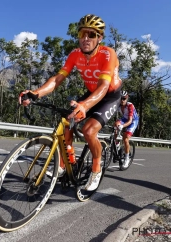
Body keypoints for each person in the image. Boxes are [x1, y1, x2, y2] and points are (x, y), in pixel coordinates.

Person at [19, 14, 122, 191]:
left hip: (109, 96)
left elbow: (104, 87)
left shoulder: (108, 54)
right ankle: (64, 163)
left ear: (99, 38)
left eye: (91, 34)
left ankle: (96, 168)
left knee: (89, 130)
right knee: (67, 121)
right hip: (91, 93)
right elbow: (58, 79)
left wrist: (85, 105)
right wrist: (36, 93)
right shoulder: (75, 54)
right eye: (82, 34)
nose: (86, 38)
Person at [115, 90, 139, 167]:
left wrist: (123, 126)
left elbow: (130, 120)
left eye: (124, 98)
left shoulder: (130, 106)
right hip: (125, 119)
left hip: (133, 121)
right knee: (115, 125)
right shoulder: (118, 104)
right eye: (120, 98)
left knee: (125, 138)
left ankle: (127, 158)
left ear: (127, 98)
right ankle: (117, 144)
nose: (122, 100)